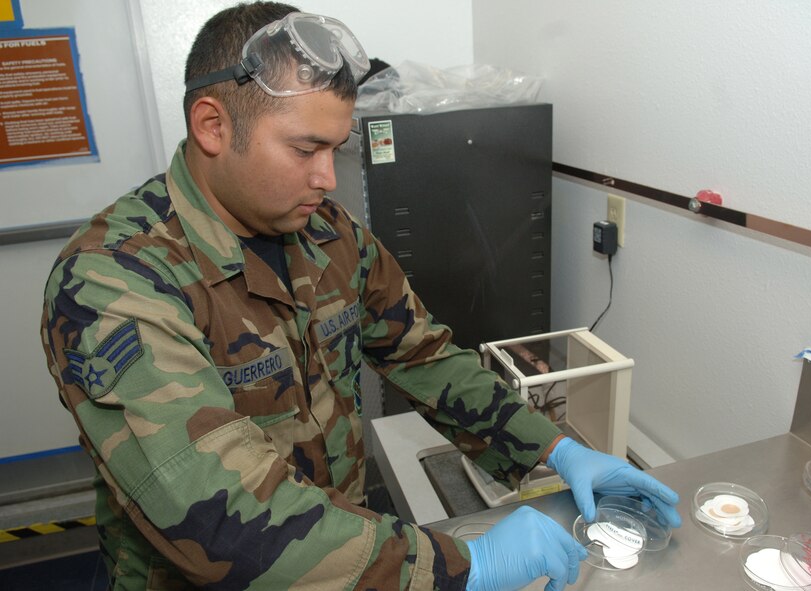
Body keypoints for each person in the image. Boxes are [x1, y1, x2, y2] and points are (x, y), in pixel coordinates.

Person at [40, 3, 681, 590]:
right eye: (304, 148)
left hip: (349, 560)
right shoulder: (113, 280)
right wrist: (464, 567)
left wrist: (555, 449)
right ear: (212, 126)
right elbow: (217, 518)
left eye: (336, 148)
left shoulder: (327, 233)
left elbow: (424, 357)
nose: (326, 177)